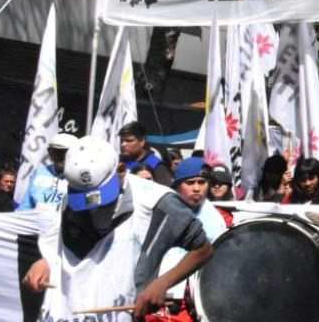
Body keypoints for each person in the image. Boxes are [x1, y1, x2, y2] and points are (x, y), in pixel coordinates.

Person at [22, 136, 214, 318]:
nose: (93, 208)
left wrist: (162, 284)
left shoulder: (159, 203)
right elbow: (61, 244)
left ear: (121, 170)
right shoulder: (70, 193)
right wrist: (46, 261)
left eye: (99, 195)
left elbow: (203, 249)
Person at [152, 158, 229, 322]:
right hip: (156, 300)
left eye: (202, 182)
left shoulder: (216, 220)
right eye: (190, 182)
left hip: (194, 305)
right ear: (178, 185)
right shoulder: (160, 211)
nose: (196, 188)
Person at [18, 132, 78, 211]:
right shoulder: (39, 173)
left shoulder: (80, 177)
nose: (62, 159)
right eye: (57, 154)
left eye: (65, 154)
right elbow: (26, 206)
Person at [119, 122, 174, 186]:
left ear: (142, 141)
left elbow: (165, 192)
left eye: (129, 141)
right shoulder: (117, 162)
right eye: (121, 141)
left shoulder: (156, 165)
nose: (123, 144)